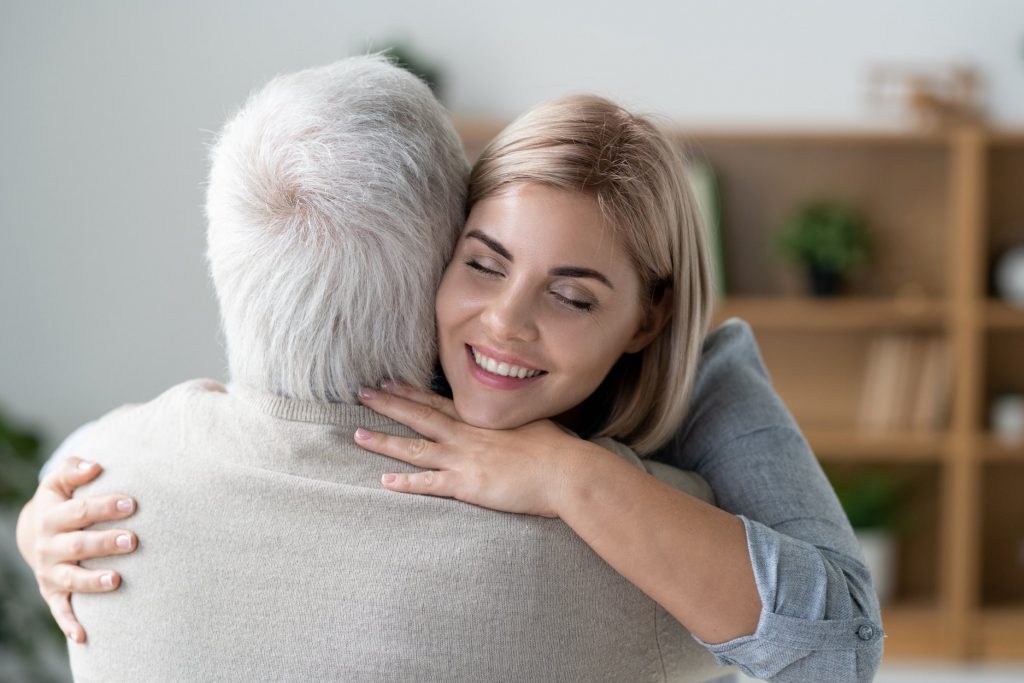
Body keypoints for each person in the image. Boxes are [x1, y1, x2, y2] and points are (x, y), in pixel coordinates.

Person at [18, 69, 885, 682]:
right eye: (483, 262)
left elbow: (840, 652)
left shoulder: (704, 382)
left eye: (573, 297)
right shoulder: (397, 353)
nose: (505, 320)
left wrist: (567, 473)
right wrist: (42, 517)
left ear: (648, 317)